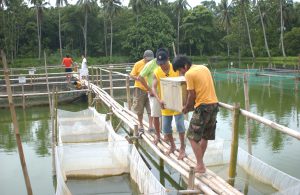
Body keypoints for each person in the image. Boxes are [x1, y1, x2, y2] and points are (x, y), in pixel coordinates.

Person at [172, 55, 219, 174]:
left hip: (203, 107)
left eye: (180, 70)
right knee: (204, 136)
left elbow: (191, 95)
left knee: (192, 137)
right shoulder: (204, 68)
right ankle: (200, 162)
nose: (181, 73)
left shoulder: (189, 74)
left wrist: (186, 108)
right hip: (214, 105)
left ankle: (200, 165)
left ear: (185, 66)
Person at [152, 48, 186, 160]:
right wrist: (158, 99)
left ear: (168, 60)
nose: (162, 66)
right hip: (165, 104)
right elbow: (153, 87)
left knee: (180, 125)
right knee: (166, 128)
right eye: (160, 64)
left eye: (164, 63)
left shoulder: (175, 68)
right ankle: (172, 146)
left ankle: (182, 148)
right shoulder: (157, 72)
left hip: (177, 103)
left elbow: (184, 81)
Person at [130, 50, 155, 132]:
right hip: (139, 89)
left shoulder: (154, 64)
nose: (149, 61)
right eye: (148, 59)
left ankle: (151, 126)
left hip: (151, 90)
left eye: (151, 59)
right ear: (144, 58)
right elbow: (132, 75)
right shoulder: (138, 64)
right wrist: (138, 78)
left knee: (151, 108)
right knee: (139, 108)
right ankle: (141, 125)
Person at [138, 57, 161, 144]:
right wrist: (149, 89)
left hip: (161, 93)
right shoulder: (148, 65)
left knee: (157, 113)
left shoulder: (167, 64)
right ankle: (142, 125)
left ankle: (157, 130)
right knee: (143, 110)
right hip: (144, 90)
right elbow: (138, 77)